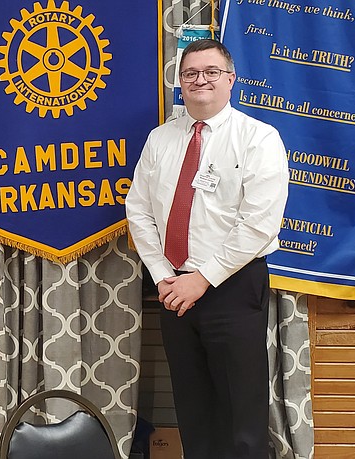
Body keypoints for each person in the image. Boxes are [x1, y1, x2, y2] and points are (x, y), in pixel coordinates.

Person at [126, 39, 289, 458]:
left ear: (230, 79)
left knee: (241, 413)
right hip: (173, 289)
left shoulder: (259, 138)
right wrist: (164, 275)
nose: (200, 80)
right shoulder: (160, 139)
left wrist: (203, 278)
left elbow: (258, 223)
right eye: (190, 73)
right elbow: (138, 210)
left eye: (211, 72)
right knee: (193, 408)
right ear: (179, 82)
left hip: (233, 287)